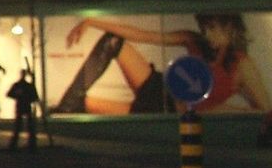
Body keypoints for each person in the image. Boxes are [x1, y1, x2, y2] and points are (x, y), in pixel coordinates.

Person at [55, 15, 272, 143]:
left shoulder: (242, 65)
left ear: (230, 28)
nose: (207, 34)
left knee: (83, 107)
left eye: (213, 28)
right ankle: (65, 107)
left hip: (162, 110)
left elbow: (264, 109)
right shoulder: (194, 40)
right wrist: (92, 21)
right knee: (112, 41)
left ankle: (66, 108)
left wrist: (225, 111)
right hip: (158, 88)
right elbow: (142, 35)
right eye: (205, 28)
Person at [6, 67, 40, 151]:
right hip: (22, 106)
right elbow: (9, 94)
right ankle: (27, 144)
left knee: (25, 126)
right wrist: (18, 95)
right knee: (22, 126)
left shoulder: (22, 85)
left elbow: (34, 97)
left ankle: (27, 144)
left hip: (24, 106)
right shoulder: (21, 85)